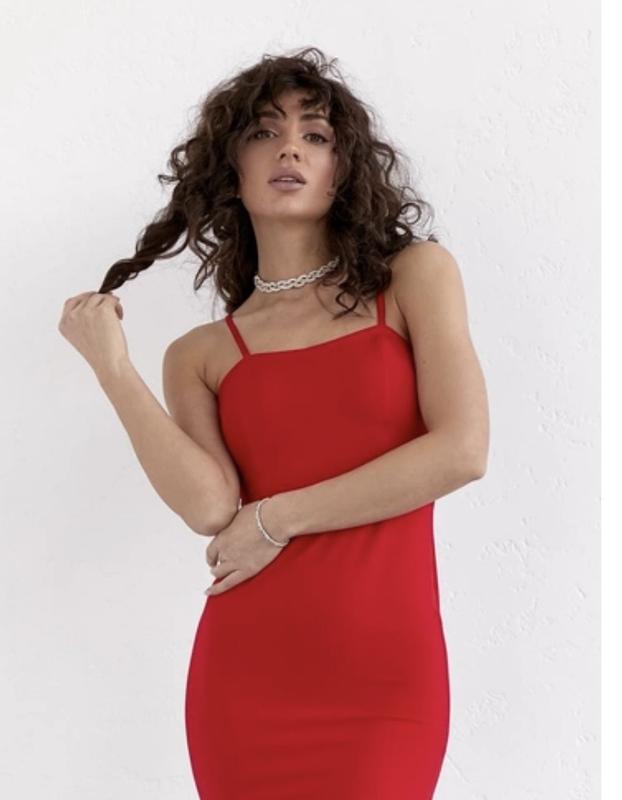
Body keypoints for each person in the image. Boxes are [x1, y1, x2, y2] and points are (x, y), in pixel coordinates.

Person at [58, 47, 489, 800]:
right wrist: (113, 369)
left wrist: (273, 519)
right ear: (231, 172)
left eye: (315, 136)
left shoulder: (414, 278)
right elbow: (209, 508)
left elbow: (461, 451)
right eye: (265, 132)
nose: (291, 148)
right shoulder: (201, 353)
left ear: (343, 170)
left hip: (384, 676)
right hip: (245, 677)